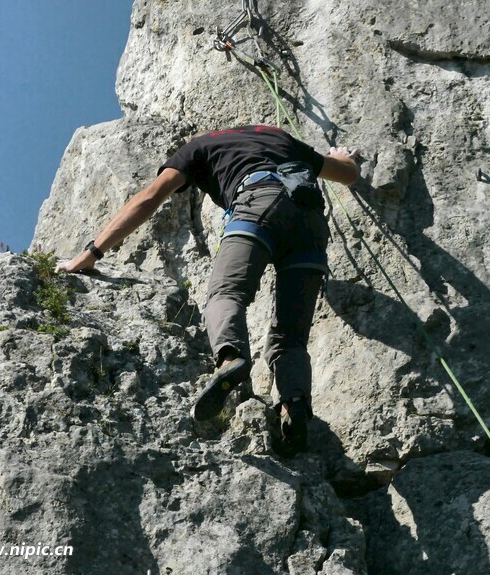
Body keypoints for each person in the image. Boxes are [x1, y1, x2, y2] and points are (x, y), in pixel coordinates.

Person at [56, 124, 360, 453]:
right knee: (291, 336)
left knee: (226, 294)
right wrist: (341, 158)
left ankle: (231, 358)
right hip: (311, 222)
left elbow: (149, 198)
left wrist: (91, 253)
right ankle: (294, 407)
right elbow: (347, 174)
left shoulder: (198, 146)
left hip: (259, 203)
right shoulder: (279, 137)